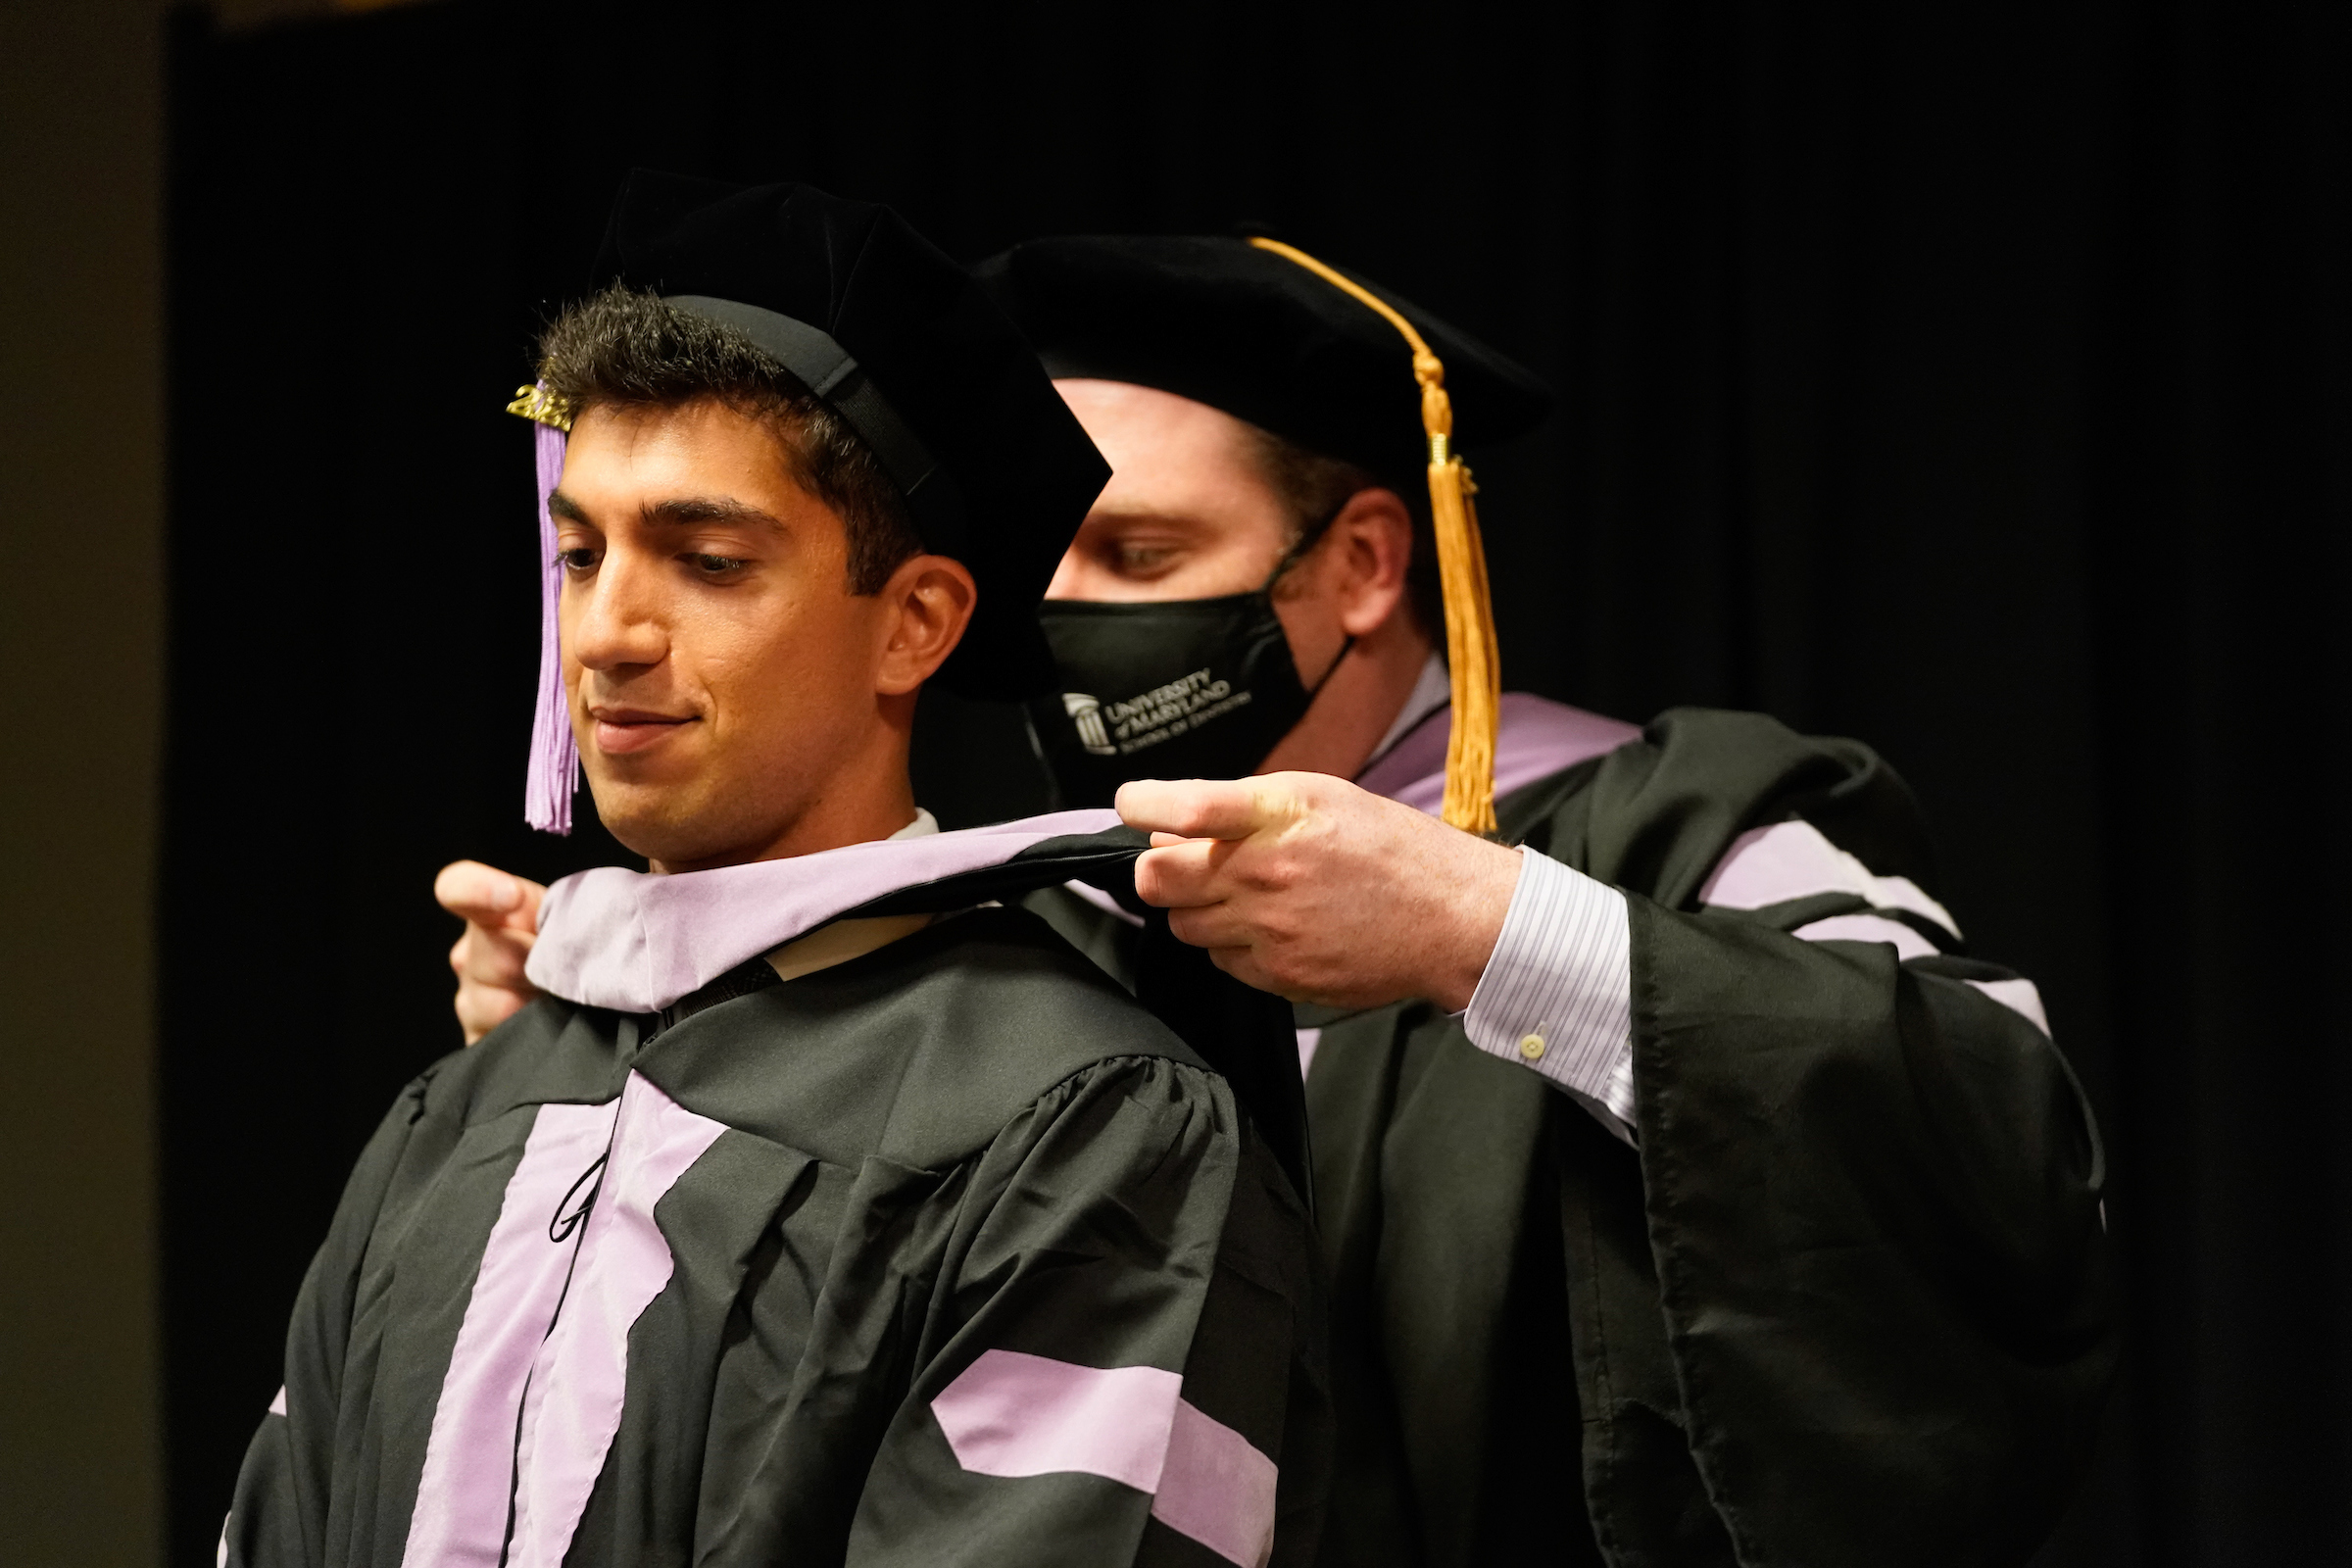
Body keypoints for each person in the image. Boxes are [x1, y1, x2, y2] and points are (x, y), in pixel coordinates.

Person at [440, 232, 2118, 1566]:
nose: (1081, 624)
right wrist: (649, 1026)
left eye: (1149, 559)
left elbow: (2000, 1141)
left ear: (1369, 566)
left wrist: (1489, 930)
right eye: (1060, 571)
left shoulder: (1678, 827)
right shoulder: (1060, 913)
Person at [220, 175, 1332, 1568]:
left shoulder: (1079, 1124)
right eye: (580, 552)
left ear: (914, 624)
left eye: (707, 560)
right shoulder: (467, 1108)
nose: (607, 632)